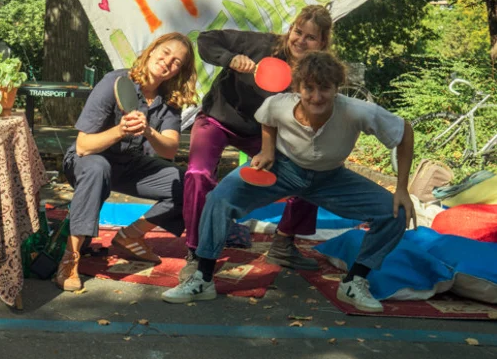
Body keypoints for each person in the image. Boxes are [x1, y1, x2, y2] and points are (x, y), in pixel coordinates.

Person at [163, 51, 415, 312]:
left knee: (394, 211)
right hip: (283, 169)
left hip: (331, 178)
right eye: (309, 88)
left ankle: (355, 281)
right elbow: (267, 118)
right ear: (297, 88)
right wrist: (268, 150)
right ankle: (202, 278)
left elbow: (404, 131)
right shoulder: (280, 104)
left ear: (337, 87)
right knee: (219, 199)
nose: (317, 97)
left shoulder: (356, 111)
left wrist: (402, 189)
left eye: (325, 88)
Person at [181, 5, 333, 280]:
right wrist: (229, 58)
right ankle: (195, 251)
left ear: (322, 42)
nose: (300, 40)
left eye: (310, 37)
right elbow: (205, 39)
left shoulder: (315, 73)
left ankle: (283, 243)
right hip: (216, 120)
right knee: (197, 173)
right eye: (298, 32)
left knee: (311, 171)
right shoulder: (260, 43)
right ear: (291, 30)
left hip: (262, 134)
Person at [54, 33, 198, 292]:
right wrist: (120, 131)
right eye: (165, 53)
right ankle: (70, 259)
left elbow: (169, 148)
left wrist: (148, 132)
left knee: (186, 182)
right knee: (98, 168)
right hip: (87, 160)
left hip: (129, 164)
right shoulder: (114, 82)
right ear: (152, 51)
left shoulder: (170, 100)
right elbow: (84, 146)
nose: (167, 62)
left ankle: (129, 236)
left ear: (181, 70)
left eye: (176, 61)